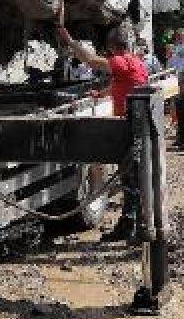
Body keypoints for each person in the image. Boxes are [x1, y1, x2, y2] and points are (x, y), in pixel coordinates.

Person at [58, 24, 149, 240]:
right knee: (132, 179)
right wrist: (101, 94)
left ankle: (130, 228)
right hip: (136, 124)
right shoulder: (136, 64)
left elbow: (90, 61)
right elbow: (123, 84)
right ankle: (133, 226)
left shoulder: (122, 60)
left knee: (131, 180)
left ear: (111, 46)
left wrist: (70, 41)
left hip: (130, 127)